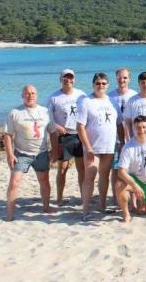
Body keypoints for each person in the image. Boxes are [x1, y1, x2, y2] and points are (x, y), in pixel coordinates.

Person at [4, 85, 53, 221]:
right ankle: (9, 214)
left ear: (37, 95)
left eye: (33, 93)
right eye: (27, 93)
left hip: (41, 153)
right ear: (22, 95)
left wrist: (54, 150)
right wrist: (10, 154)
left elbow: (52, 132)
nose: (30, 96)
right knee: (14, 183)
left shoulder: (45, 111)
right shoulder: (15, 112)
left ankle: (46, 207)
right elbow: (8, 135)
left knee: (44, 181)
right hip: (21, 154)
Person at [76, 73, 118, 220]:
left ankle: (102, 206)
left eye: (104, 83)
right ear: (93, 84)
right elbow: (80, 127)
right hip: (92, 147)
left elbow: (119, 123)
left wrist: (122, 141)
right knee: (90, 176)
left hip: (109, 146)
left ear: (108, 85)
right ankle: (85, 210)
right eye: (98, 83)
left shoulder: (112, 101)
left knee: (104, 176)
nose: (101, 86)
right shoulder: (86, 101)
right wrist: (88, 147)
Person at [47, 69, 86, 206]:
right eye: (65, 77)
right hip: (64, 137)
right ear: (60, 79)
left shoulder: (81, 95)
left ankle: (84, 197)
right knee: (62, 169)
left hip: (80, 136)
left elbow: (88, 113)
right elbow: (47, 117)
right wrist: (56, 126)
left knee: (82, 169)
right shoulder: (54, 97)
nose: (68, 80)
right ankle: (59, 198)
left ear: (74, 79)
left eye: (71, 77)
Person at [107, 67, 137, 203]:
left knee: (132, 169)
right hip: (114, 139)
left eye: (125, 77)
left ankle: (131, 196)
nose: (122, 80)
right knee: (115, 168)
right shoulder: (109, 96)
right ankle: (116, 196)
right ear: (116, 78)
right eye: (119, 77)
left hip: (132, 139)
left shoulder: (134, 95)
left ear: (129, 79)